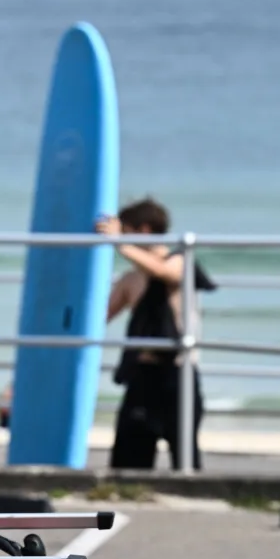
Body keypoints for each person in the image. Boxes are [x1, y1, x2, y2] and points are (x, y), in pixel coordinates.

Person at [97, 197, 216, 470]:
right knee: (128, 461)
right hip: (142, 375)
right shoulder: (130, 279)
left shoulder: (179, 260)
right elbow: (100, 317)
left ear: (145, 230)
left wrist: (121, 244)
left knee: (185, 459)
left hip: (178, 375)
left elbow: (166, 273)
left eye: (126, 231)